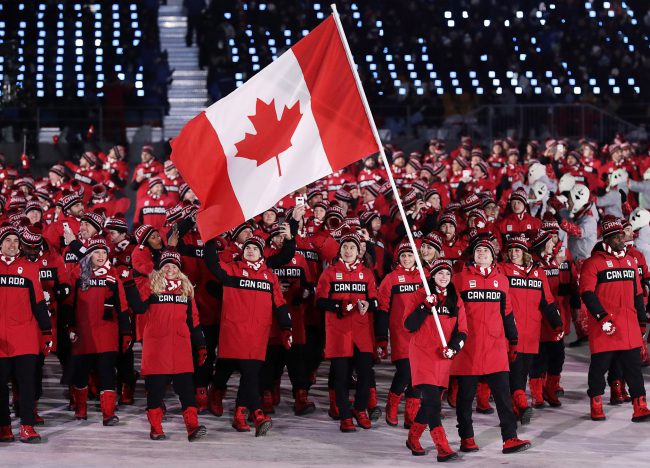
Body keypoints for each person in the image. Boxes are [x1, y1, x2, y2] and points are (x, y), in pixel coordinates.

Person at [204, 235, 291, 436]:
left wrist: (286, 327)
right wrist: (209, 240)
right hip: (234, 331)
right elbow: (211, 262)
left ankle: (241, 414)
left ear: (262, 253)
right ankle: (255, 413)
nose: (250, 251)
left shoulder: (269, 276)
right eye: (247, 248)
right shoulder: (232, 269)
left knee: (250, 375)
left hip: (258, 334)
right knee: (241, 372)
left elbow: (279, 303)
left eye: (255, 248)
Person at [451, 236, 531, 454]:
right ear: (473, 255)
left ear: (493, 255)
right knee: (466, 398)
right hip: (469, 348)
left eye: (486, 251)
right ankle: (466, 438)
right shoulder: (459, 279)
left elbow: (507, 313)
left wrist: (513, 340)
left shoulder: (502, 280)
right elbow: (451, 311)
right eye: (478, 251)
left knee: (504, 397)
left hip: (495, 348)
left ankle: (510, 438)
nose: (482, 254)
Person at [124, 250, 207, 441]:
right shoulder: (151, 285)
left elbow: (193, 321)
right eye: (166, 265)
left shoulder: (186, 290)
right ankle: (155, 428)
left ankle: (192, 427)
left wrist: (200, 345)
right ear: (160, 269)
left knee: (186, 389)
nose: (170, 269)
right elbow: (138, 308)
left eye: (174, 266)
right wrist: (129, 284)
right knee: (156, 390)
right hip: (157, 346)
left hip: (181, 346)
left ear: (180, 270)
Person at [579, 217, 650, 422]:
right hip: (605, 326)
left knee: (633, 368)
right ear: (608, 238)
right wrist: (602, 318)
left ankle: (640, 405)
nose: (623, 238)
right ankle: (596, 403)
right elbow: (587, 293)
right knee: (599, 367)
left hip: (628, 326)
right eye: (618, 236)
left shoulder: (630, 261)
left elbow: (637, 294)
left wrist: (641, 322)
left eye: (623, 235)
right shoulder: (593, 263)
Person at [315, 230, 379, 432]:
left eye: (352, 247)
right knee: (341, 376)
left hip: (361, 333)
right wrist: (339, 306)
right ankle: (345, 415)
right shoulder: (330, 273)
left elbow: (376, 300)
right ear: (340, 250)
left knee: (366, 374)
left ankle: (360, 409)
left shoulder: (367, 273)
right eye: (345, 247)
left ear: (358, 251)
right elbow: (320, 301)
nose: (349, 250)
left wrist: (368, 304)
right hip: (339, 332)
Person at [404, 259, 467, 462]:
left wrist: (454, 349)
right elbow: (408, 325)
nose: (444, 278)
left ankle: (413, 437)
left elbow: (463, 331)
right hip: (422, 354)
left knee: (430, 403)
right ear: (432, 276)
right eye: (440, 274)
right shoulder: (420, 294)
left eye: (447, 274)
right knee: (432, 401)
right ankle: (442, 447)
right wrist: (424, 307)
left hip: (442, 356)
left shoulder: (455, 300)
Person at [64, 237, 132, 426]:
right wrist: (70, 326)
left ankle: (108, 414)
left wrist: (126, 332)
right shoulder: (77, 275)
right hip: (83, 334)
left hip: (107, 334)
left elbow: (122, 307)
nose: (101, 256)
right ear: (89, 255)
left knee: (107, 373)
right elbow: (69, 304)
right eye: (96, 252)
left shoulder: (113, 276)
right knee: (80, 373)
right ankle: (81, 409)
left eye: (104, 252)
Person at [500, 235, 562, 424]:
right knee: (515, 370)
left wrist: (556, 323)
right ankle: (521, 404)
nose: (513, 254)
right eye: (510, 250)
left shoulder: (539, 273)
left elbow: (547, 302)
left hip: (532, 333)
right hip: (511, 332)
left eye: (517, 250)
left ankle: (516, 407)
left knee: (524, 369)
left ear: (525, 253)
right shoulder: (502, 270)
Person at [0, 224, 52, 443]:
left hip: (25, 336)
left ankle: (27, 426)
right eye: (8, 240)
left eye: (15, 241)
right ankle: (4, 427)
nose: (12, 245)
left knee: (27, 383)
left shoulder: (30, 268)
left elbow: (39, 303)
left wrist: (47, 332)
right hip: (0, 338)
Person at [377, 241, 422, 428]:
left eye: (410, 255)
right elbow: (382, 308)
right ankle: (392, 405)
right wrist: (381, 337)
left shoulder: (424, 277)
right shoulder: (391, 279)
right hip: (400, 334)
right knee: (405, 372)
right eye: (403, 256)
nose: (406, 259)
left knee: (417, 376)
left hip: (421, 335)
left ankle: (411, 414)